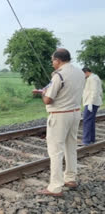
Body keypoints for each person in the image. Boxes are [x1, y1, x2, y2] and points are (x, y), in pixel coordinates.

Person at [38, 48, 85, 196]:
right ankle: (70, 178)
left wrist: (43, 93)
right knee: (71, 146)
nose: (52, 63)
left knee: (55, 150)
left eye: (53, 60)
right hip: (75, 113)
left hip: (59, 115)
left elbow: (48, 99)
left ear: (58, 60)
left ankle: (55, 187)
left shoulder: (59, 75)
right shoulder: (80, 73)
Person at [82, 67, 103, 146]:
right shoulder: (95, 77)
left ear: (86, 72)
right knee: (90, 120)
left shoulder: (92, 78)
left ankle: (86, 141)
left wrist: (90, 102)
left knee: (87, 120)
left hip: (91, 102)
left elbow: (94, 91)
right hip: (93, 102)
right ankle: (91, 139)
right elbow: (100, 90)